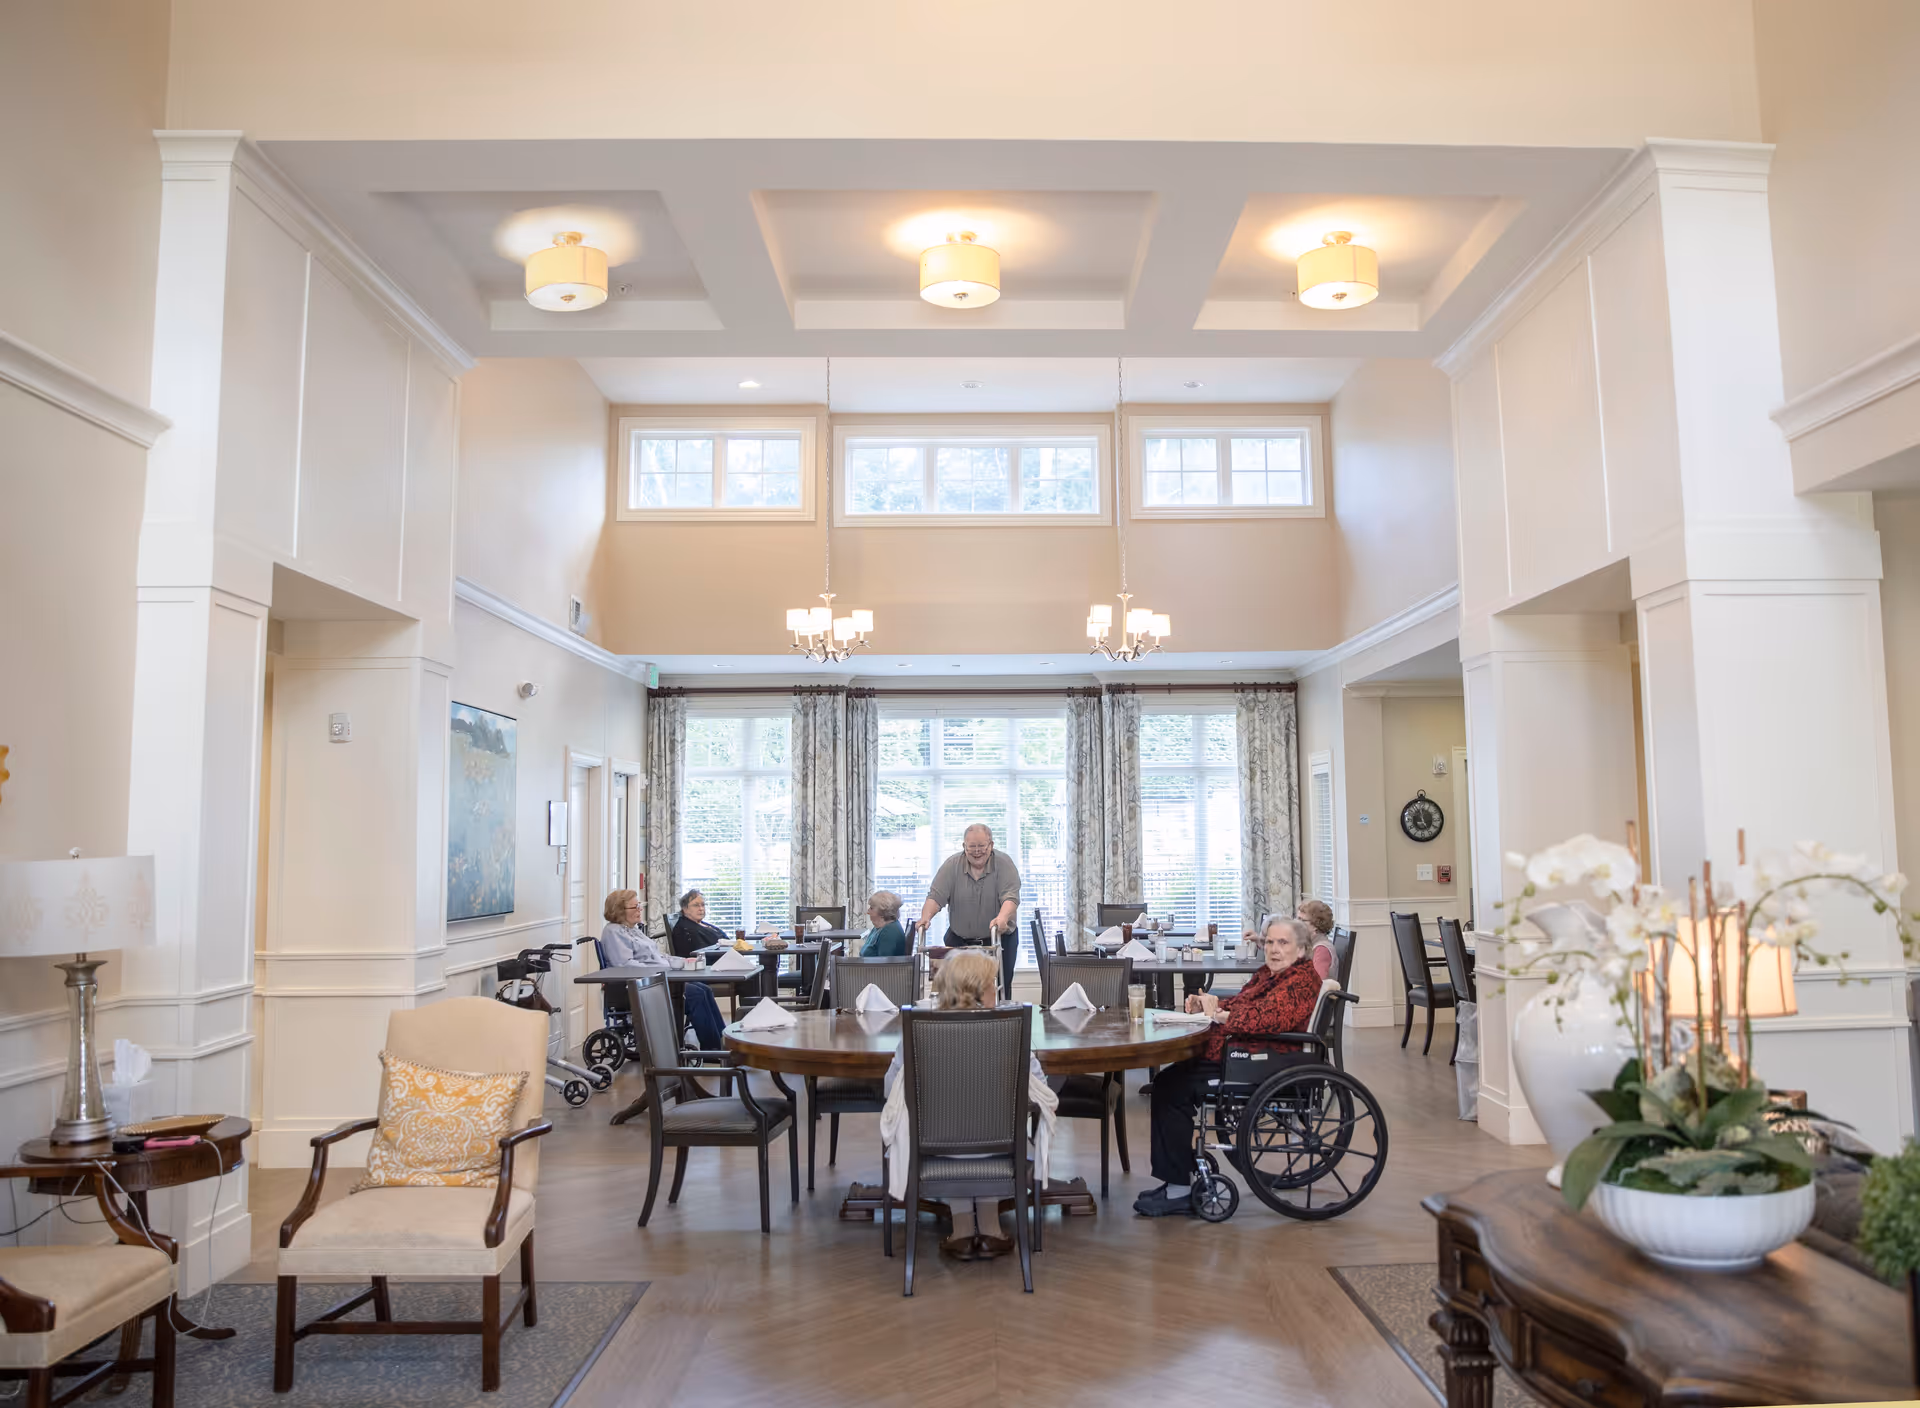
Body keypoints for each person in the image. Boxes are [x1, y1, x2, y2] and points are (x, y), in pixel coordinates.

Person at [1136, 916, 1325, 1218]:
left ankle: (1179, 1190)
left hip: (1258, 1062)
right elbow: (1243, 1003)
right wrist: (1210, 1004)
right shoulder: (1271, 974)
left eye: (1283, 943)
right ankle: (1177, 1178)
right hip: (1243, 1053)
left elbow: (1268, 1019)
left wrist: (1220, 1016)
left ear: (1301, 950)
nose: (1274, 949)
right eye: (1270, 942)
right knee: (1169, 1082)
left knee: (1171, 1090)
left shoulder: (1300, 982)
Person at [879, 949, 1054, 1256]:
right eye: (993, 984)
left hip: (935, 1150)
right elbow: (1040, 1087)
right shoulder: (1010, 1029)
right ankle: (989, 1227)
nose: (997, 991)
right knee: (987, 1132)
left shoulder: (918, 1030)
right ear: (976, 990)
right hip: (999, 1149)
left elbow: (890, 1090)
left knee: (956, 1134)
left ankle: (961, 1229)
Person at [600, 888, 726, 1052]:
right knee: (695, 994)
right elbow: (625, 965)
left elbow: (657, 956)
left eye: (639, 905)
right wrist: (663, 969)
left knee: (704, 989)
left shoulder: (633, 929)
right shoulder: (613, 932)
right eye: (635, 907)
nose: (640, 909)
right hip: (638, 986)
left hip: (656, 978)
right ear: (619, 910)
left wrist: (681, 962)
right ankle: (713, 1050)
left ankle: (723, 1043)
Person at [919, 823, 1021, 996]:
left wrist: (1002, 918)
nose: (977, 851)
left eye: (982, 846)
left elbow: (1010, 897)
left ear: (991, 845)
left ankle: (999, 1011)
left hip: (999, 940)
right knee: (960, 993)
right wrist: (925, 918)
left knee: (998, 992)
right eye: (972, 846)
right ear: (964, 846)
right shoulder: (952, 865)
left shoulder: (1004, 864)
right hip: (960, 940)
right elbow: (935, 896)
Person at [1297, 899, 1337, 981]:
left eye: (1302, 920)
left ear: (1316, 924)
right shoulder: (1309, 944)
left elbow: (1317, 983)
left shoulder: (1322, 949)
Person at [860, 890, 909, 957]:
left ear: (882, 912)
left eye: (871, 908)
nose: (868, 912)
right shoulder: (878, 928)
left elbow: (884, 962)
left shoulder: (889, 932)